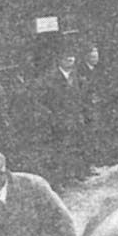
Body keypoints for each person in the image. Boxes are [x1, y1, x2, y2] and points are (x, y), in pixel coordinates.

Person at [37, 51, 86, 187]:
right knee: (58, 151)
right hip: (58, 121)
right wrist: (51, 115)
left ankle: (71, 176)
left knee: (73, 148)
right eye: (67, 58)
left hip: (74, 119)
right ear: (60, 60)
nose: (71, 60)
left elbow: (79, 97)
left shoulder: (75, 76)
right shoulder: (50, 78)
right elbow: (40, 100)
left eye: (72, 57)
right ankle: (58, 182)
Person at [77, 45, 107, 168]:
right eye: (93, 56)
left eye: (97, 56)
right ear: (86, 57)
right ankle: (88, 165)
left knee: (96, 134)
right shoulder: (81, 71)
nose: (96, 59)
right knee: (88, 136)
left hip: (97, 108)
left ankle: (96, 161)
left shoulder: (97, 70)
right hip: (86, 109)